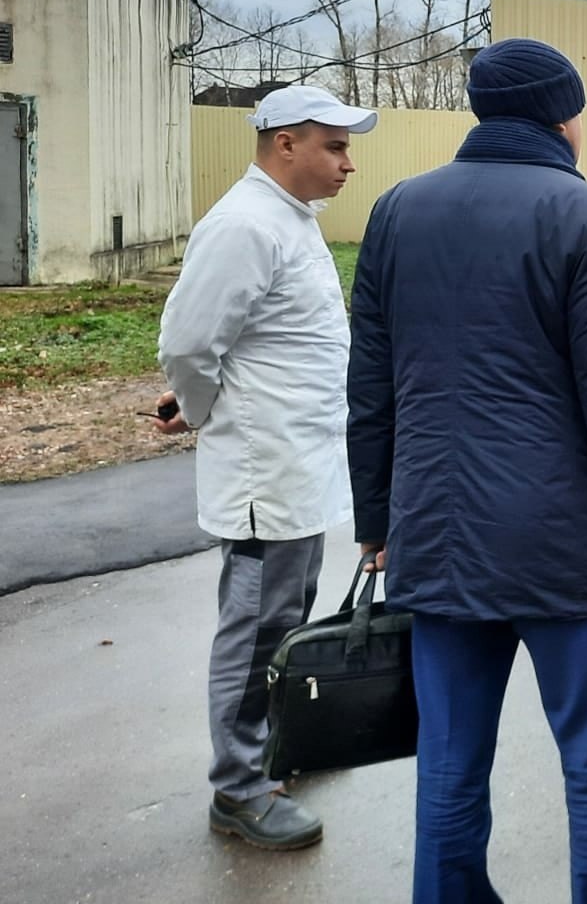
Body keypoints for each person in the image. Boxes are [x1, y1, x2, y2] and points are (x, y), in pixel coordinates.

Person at [346, 38, 587, 904]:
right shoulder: (586, 214)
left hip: (437, 536)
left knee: (449, 767)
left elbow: (371, 388)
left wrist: (377, 521)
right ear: (563, 116)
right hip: (564, 547)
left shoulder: (396, 211)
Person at [153, 84, 378, 850]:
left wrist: (201, 399)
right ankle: (239, 789)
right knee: (254, 632)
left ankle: (273, 753)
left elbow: (255, 343)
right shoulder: (247, 225)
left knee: (283, 620)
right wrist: (208, 409)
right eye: (335, 146)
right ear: (286, 143)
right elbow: (188, 343)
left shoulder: (289, 220)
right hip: (265, 473)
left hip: (298, 468)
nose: (349, 164)